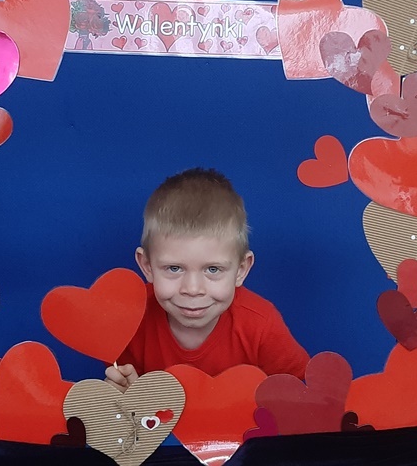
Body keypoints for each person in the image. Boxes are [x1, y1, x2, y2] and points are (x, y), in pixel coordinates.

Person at [105, 168, 310, 391]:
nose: (193, 289)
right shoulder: (131, 320)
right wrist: (126, 395)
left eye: (213, 269)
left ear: (241, 270)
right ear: (147, 266)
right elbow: (127, 396)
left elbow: (297, 394)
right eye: (174, 268)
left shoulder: (262, 326)